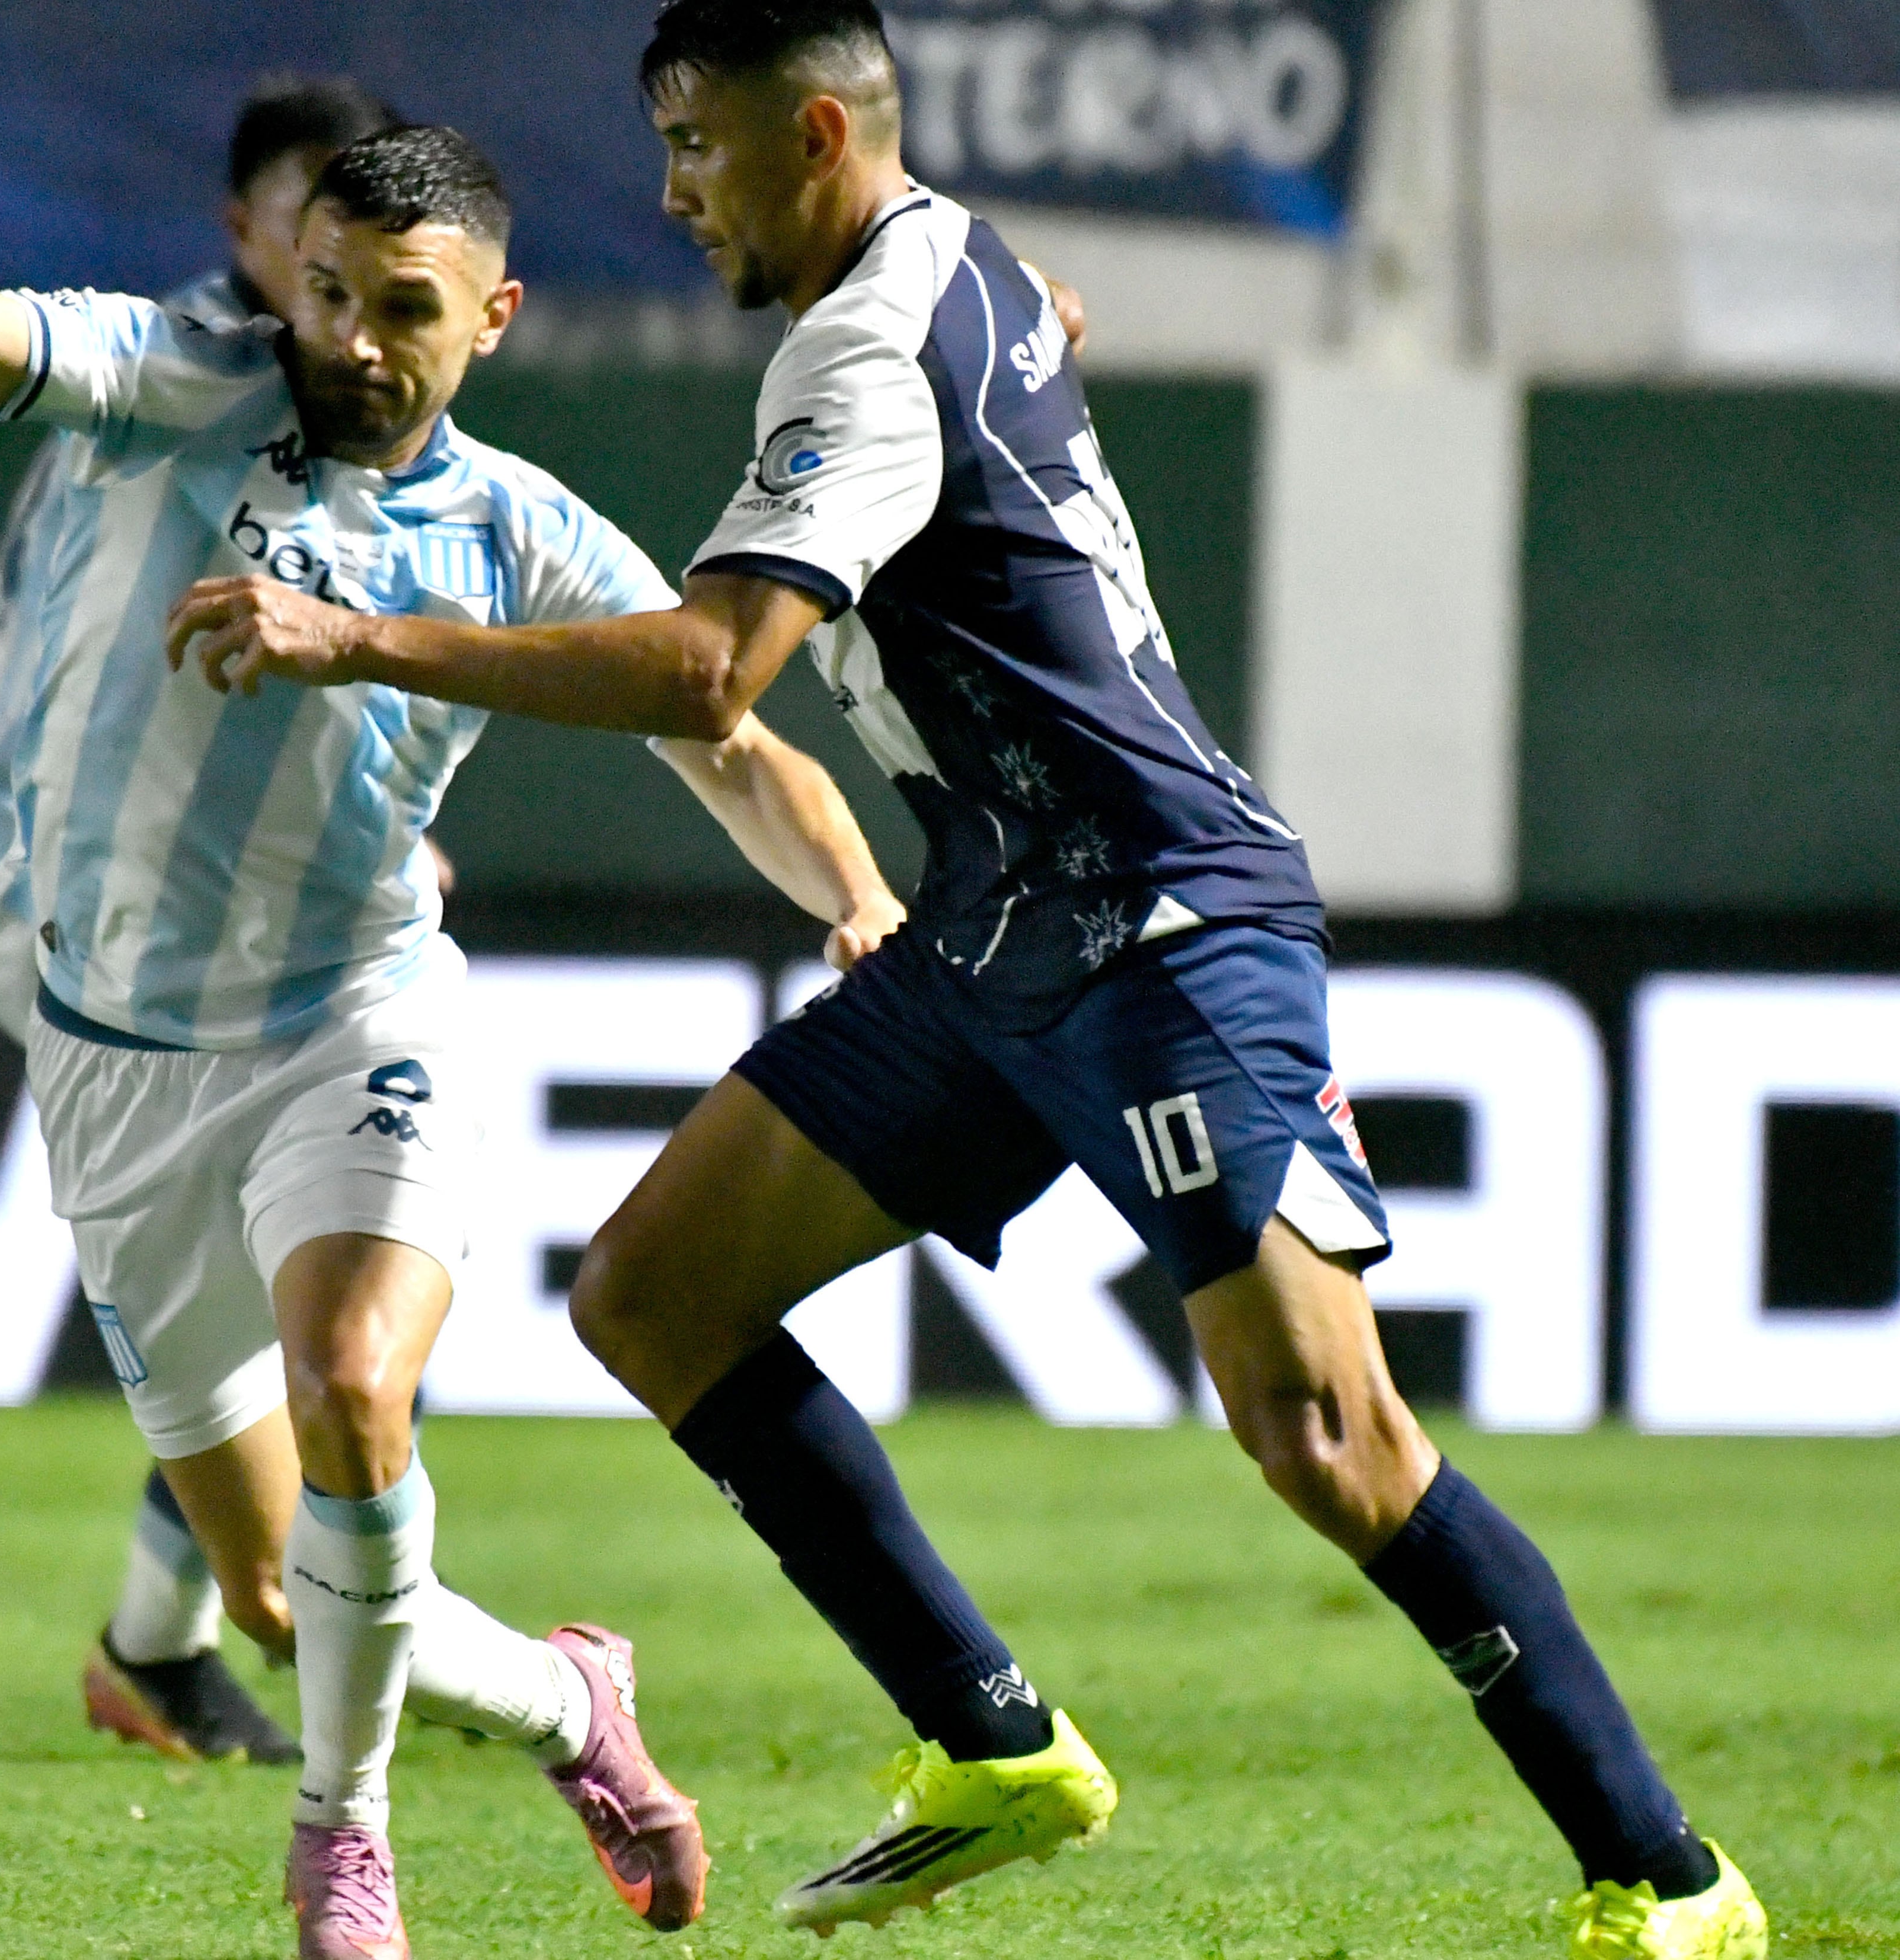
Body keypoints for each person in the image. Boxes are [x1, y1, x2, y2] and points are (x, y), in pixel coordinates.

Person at [158, 5, 1769, 1957]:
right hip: (1000, 929)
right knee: (657, 1291)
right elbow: (1029, 315)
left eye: (700, 150)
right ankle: (989, 1738)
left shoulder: (861, 346)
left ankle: (1670, 1879)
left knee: (1325, 1433)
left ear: (819, 135)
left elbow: (707, 673)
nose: (673, 195)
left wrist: (360, 635)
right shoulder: (945, 251)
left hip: (1165, 921)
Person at [0, 95, 914, 1958]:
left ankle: (339, 1843)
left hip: (349, 1018)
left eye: (402, 307)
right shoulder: (179, 384)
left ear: (497, 315)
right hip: (115, 1059)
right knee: (290, 1597)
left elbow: (735, 744)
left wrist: (853, 898)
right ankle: (568, 1701)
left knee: (357, 1382)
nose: (354, 342)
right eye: (325, 294)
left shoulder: (518, 530)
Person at [0, 73, 404, 1777]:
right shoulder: (183, 381)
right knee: (317, 1282)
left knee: (330, 1280)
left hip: (170, 890)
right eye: (307, 235)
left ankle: (158, 1639)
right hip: (49, 882)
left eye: (365, 238)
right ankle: (178, 1629)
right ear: (245, 236)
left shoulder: (341, 408)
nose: (336, 273)